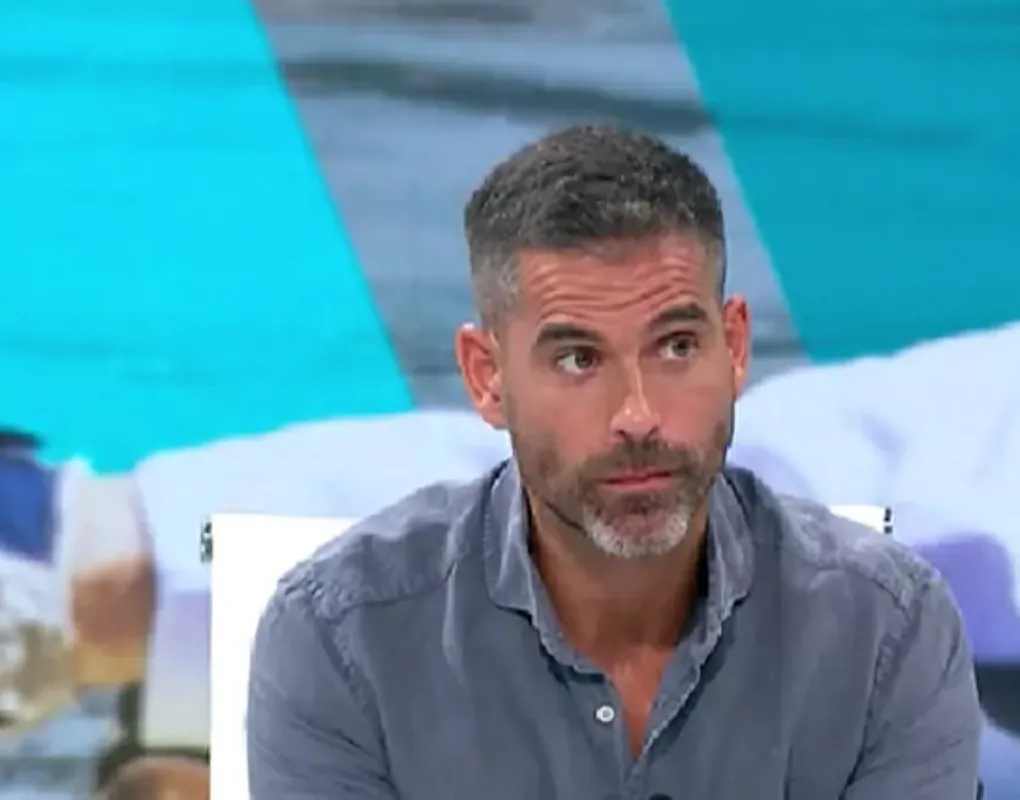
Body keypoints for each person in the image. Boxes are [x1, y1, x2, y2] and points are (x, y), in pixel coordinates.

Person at [245, 124, 982, 798]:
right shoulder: (341, 641)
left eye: (676, 347)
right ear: (486, 377)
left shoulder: (888, 633)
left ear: (734, 347)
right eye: (578, 358)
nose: (638, 415)